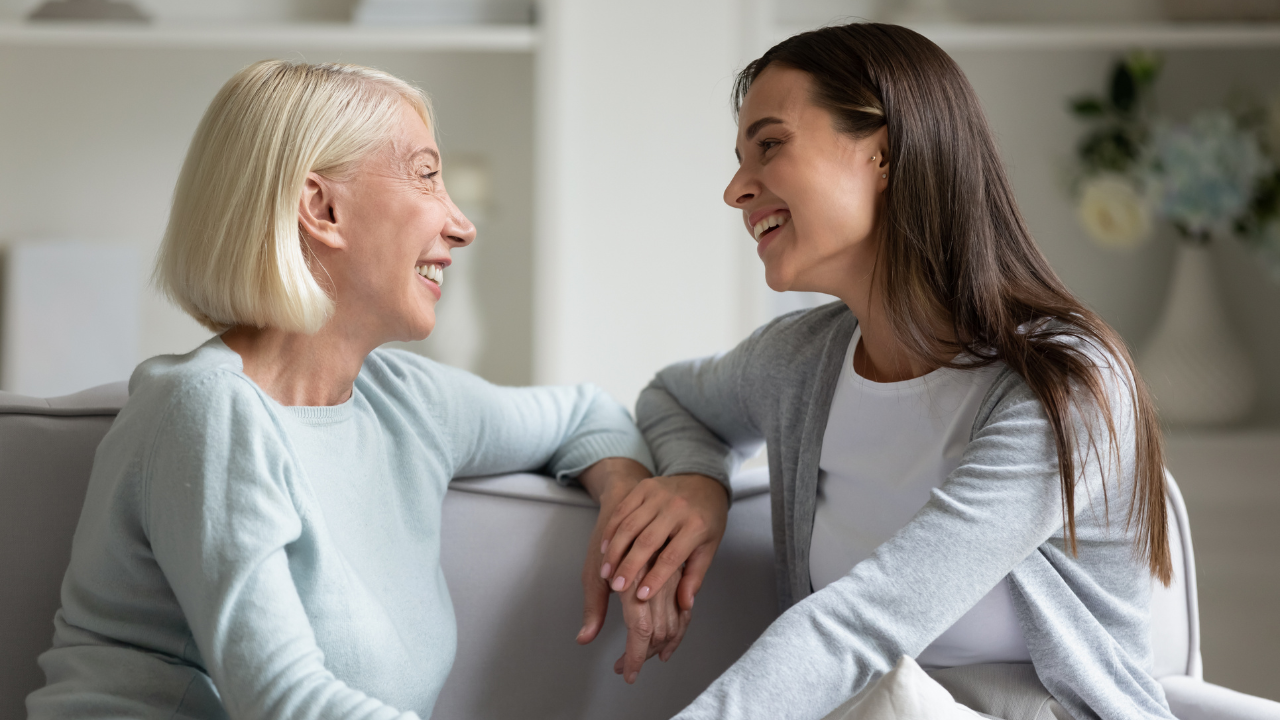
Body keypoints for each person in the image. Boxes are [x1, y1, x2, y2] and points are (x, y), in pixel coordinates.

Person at [26, 60, 672, 720]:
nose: (462, 224)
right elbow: (285, 702)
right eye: (426, 175)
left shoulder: (408, 402)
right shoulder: (207, 409)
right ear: (320, 208)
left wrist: (629, 515)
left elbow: (589, 414)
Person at [595, 23, 1176, 719]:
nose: (735, 191)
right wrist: (698, 481)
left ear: (887, 154)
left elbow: (862, 625)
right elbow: (672, 398)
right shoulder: (802, 362)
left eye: (770, 146)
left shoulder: (1065, 385)